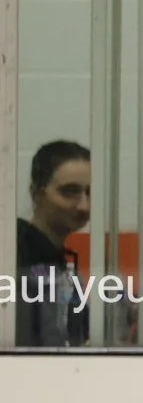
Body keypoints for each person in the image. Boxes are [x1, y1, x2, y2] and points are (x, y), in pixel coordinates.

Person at [14, 140, 90, 346]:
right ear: (37, 194)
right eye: (69, 191)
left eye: (90, 193)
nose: (84, 206)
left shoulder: (59, 260)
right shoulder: (14, 254)